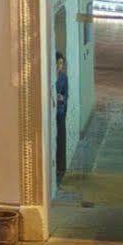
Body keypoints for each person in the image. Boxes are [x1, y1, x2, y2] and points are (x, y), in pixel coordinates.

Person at [53, 52, 70, 187]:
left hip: (60, 111)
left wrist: (61, 98)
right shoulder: (50, 78)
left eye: (61, 63)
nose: (59, 66)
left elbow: (66, 95)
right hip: (52, 112)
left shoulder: (64, 78)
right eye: (57, 63)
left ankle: (61, 167)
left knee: (61, 138)